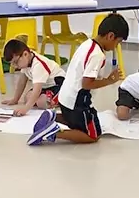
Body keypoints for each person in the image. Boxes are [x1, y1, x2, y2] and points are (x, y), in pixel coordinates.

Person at [28, 13, 128, 145]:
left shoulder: (87, 44)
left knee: (80, 121)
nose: (116, 46)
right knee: (93, 135)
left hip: (65, 98)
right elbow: (86, 84)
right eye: (118, 42)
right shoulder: (97, 55)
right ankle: (52, 132)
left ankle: (53, 117)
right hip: (77, 103)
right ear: (110, 36)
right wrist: (109, 81)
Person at [2, 39, 66, 116]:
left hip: (58, 85)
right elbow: (21, 82)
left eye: (15, 62)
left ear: (25, 54)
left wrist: (25, 109)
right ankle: (46, 97)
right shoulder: (26, 60)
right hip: (45, 86)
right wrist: (15, 99)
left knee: (41, 102)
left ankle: (58, 100)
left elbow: (37, 90)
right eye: (12, 64)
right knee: (28, 98)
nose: (14, 66)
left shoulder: (38, 65)